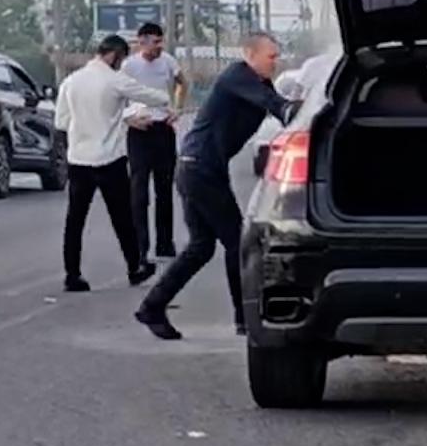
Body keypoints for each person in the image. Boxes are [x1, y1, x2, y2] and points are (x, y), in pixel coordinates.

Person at [135, 31, 293, 340]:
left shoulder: (258, 81)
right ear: (251, 54)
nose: (276, 62)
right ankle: (245, 318)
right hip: (200, 170)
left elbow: (281, 106)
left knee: (201, 247)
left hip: (201, 168)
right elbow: (277, 106)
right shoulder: (238, 75)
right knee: (238, 243)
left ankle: (152, 307)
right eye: (271, 56)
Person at [53, 35, 174, 293]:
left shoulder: (71, 82)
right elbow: (151, 96)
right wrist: (167, 101)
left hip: (79, 159)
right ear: (115, 55)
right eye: (122, 57)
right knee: (123, 218)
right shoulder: (115, 80)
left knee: (75, 220)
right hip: (109, 159)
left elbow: (62, 122)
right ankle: (135, 267)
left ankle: (72, 274)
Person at [122, 21, 186, 261]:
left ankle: (165, 242)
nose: (159, 46)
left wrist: (177, 108)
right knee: (139, 190)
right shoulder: (129, 66)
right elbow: (118, 96)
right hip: (140, 130)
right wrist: (128, 118)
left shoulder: (168, 62)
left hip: (163, 128)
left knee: (164, 188)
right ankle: (140, 244)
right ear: (142, 42)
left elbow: (182, 82)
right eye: (155, 42)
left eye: (161, 41)